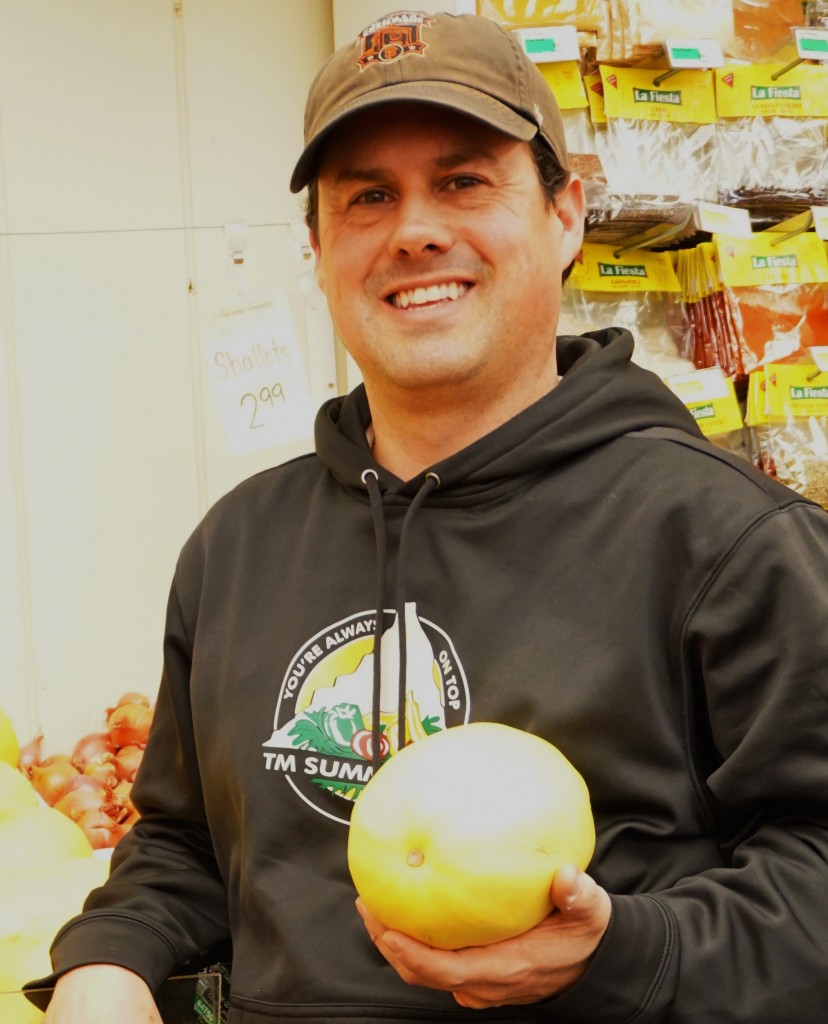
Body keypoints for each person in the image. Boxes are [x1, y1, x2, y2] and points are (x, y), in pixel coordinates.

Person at [30, 10, 828, 1023]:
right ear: (317, 249)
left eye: (463, 182)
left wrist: (625, 948)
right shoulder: (237, 546)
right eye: (368, 197)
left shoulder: (728, 541)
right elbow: (187, 843)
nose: (414, 230)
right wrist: (110, 962)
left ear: (567, 214)